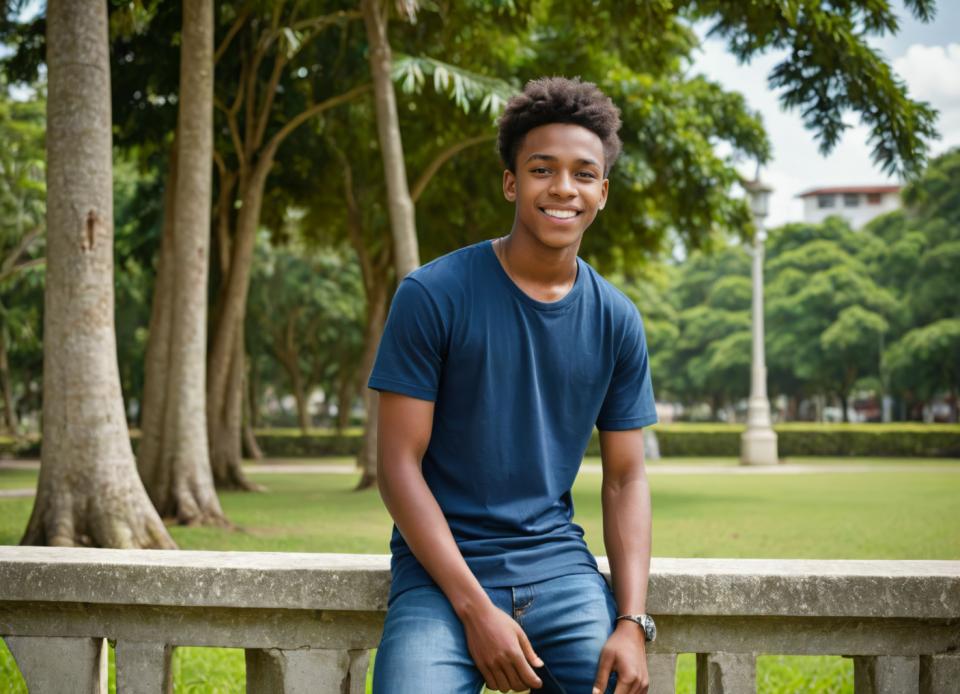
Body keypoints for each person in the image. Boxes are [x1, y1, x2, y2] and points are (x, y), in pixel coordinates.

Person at [368, 76, 657, 694]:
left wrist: (631, 620)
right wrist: (475, 610)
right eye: (541, 169)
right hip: (441, 576)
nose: (562, 188)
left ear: (602, 192)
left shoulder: (616, 319)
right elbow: (397, 463)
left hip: (560, 572)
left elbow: (626, 478)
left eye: (583, 174)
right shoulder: (433, 295)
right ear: (511, 182)